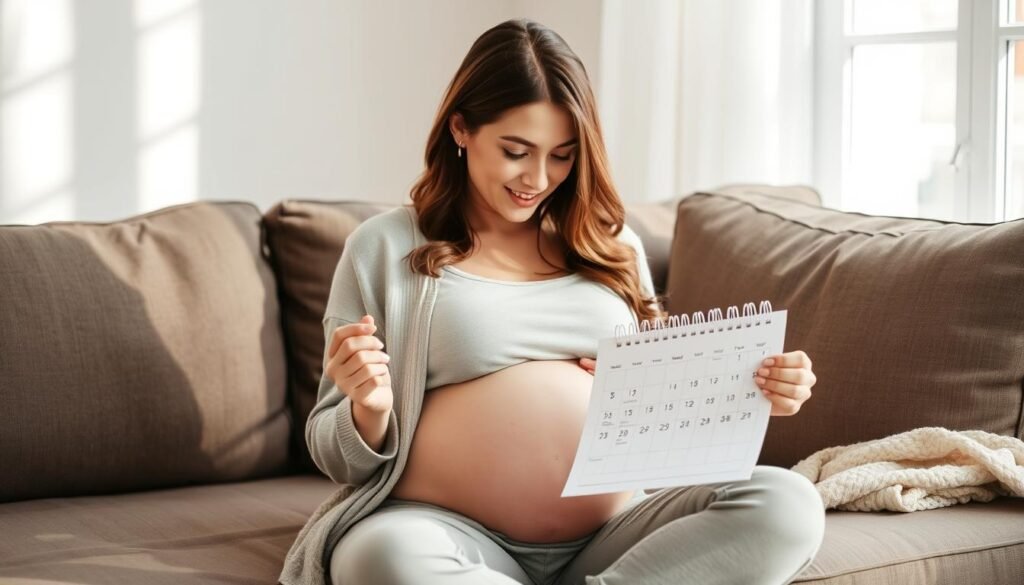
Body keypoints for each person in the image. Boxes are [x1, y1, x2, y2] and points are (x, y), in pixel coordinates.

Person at [279, 18, 825, 585]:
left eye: (562, 155)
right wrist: (368, 410)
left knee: (786, 503)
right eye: (516, 150)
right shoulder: (385, 247)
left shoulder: (612, 245)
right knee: (378, 560)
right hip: (442, 531)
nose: (537, 178)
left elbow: (665, 422)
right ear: (461, 129)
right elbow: (333, 453)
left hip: (615, 535)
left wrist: (749, 392)